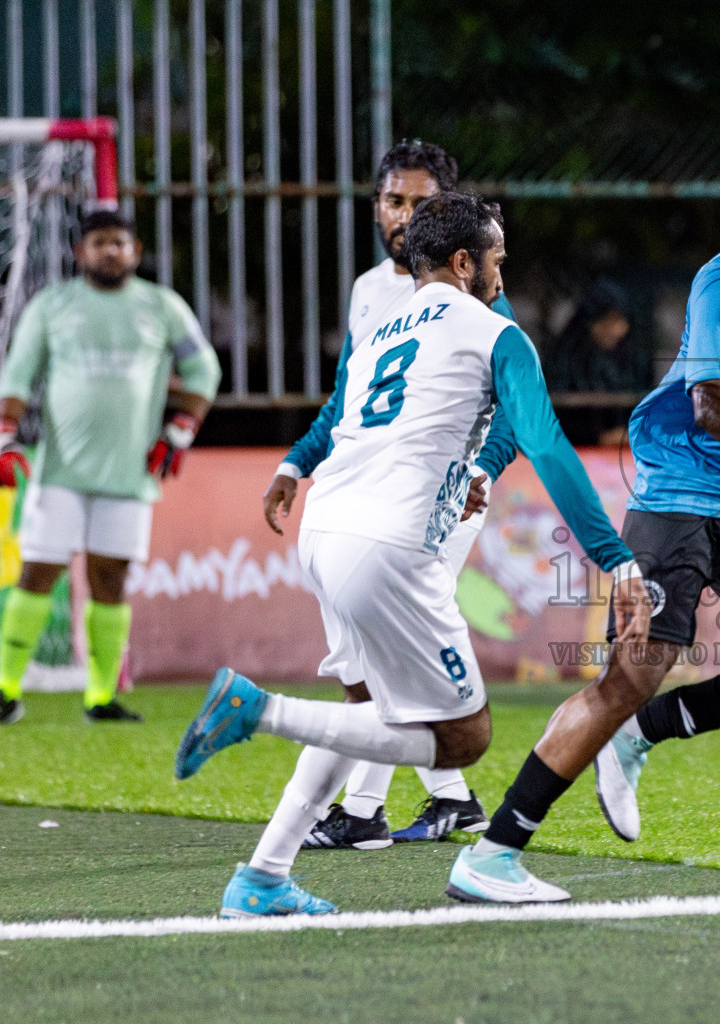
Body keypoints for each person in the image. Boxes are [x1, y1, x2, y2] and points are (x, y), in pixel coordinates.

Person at [174, 190, 651, 916]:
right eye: (495, 256)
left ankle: (262, 877)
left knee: (366, 701)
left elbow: (343, 422)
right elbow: (548, 442)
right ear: (465, 261)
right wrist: (614, 557)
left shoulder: (377, 329)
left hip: (327, 529)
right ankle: (257, 710)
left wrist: (308, 467)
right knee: (463, 737)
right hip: (390, 549)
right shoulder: (494, 331)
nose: (501, 269)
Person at [452, 151, 720, 901]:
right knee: (631, 672)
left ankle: (645, 732)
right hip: (678, 491)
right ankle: (491, 855)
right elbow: (713, 409)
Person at [261, 140, 521, 851]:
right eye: (393, 200)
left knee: (376, 655)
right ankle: (452, 801)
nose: (404, 214)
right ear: (376, 206)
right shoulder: (370, 291)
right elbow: (349, 401)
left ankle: (363, 811)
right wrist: (297, 460)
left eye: (419, 202)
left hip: (437, 498)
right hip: (367, 495)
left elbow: (511, 411)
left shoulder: (477, 292)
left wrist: (483, 471)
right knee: (365, 657)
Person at [0, 209, 220, 725]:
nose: (111, 251)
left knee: (110, 580)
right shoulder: (53, 305)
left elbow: (205, 368)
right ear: (79, 252)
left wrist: (179, 432)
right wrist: (1, 437)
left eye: (120, 242)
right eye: (99, 242)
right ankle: (6, 690)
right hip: (58, 472)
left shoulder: (162, 307)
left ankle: (100, 696)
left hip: (129, 475)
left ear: (135, 251)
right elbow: (17, 376)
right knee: (38, 573)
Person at [545, 279, 650, 446]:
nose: (620, 329)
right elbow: (557, 420)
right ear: (590, 321)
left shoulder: (628, 360)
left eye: (622, 320)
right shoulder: (565, 360)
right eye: (610, 320)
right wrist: (599, 438)